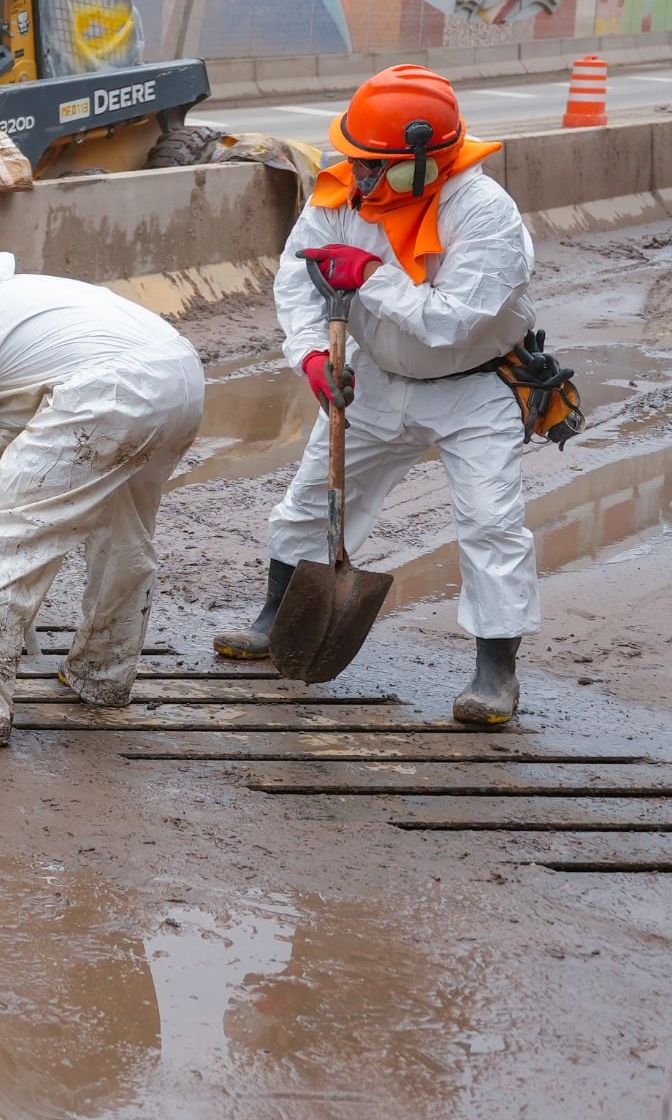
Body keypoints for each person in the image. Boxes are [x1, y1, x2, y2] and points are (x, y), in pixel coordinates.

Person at [214, 64, 538, 725]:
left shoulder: (484, 214)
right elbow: (296, 283)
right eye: (356, 159)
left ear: (426, 162)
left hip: (474, 388)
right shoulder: (338, 196)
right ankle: (277, 615)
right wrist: (309, 354)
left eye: (376, 165)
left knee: (491, 523)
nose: (360, 175)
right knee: (311, 497)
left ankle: (495, 672)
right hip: (377, 377)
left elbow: (453, 322)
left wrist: (371, 278)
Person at [0, 255, 206, 746]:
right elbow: (23, 411)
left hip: (107, 391)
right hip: (179, 376)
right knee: (123, 529)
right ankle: (102, 674)